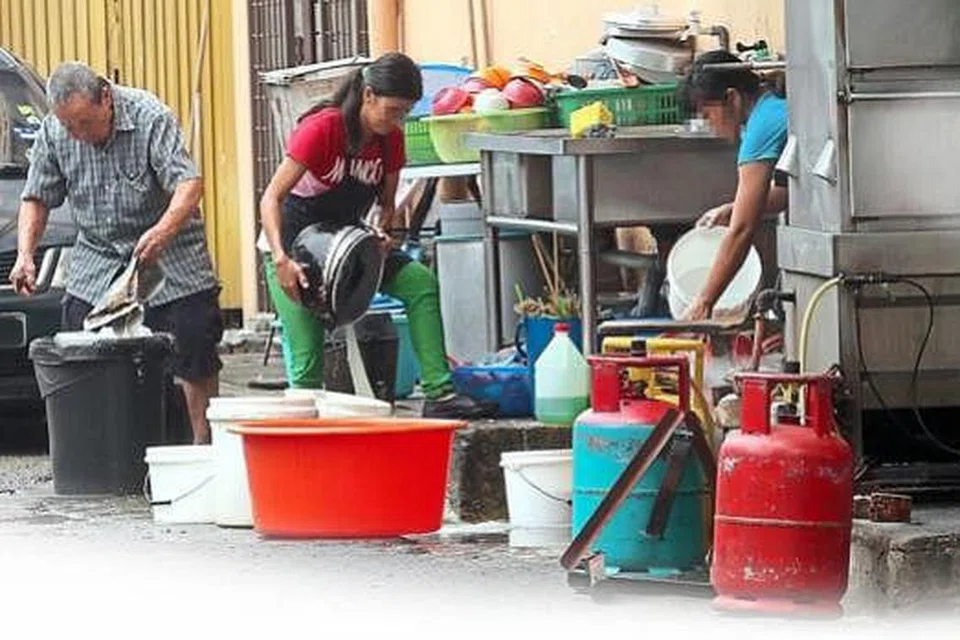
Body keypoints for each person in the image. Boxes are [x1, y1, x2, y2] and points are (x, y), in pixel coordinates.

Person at [257, 52, 496, 420]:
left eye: (406, 111)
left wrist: (383, 236)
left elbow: (386, 204)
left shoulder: (390, 141)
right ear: (368, 95)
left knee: (419, 283)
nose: (398, 119)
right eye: (394, 109)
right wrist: (280, 259)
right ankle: (307, 446)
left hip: (349, 245)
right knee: (307, 368)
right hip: (293, 249)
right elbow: (271, 197)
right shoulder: (322, 129)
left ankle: (439, 393)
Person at [9, 61, 223, 445]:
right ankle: (98, 446)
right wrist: (26, 254)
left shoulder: (150, 117)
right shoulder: (55, 132)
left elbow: (189, 185)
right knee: (76, 336)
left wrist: (163, 231)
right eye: (69, 127)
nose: (78, 135)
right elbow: (36, 197)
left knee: (193, 340)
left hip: (167, 245)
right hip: (100, 250)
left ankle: (201, 446)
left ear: (105, 98)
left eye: (85, 124)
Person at [677, 50, 788, 321]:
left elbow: (741, 231)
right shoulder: (770, 108)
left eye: (708, 114)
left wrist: (704, 302)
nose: (708, 125)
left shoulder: (762, 126)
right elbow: (788, 194)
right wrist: (732, 208)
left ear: (732, 97)